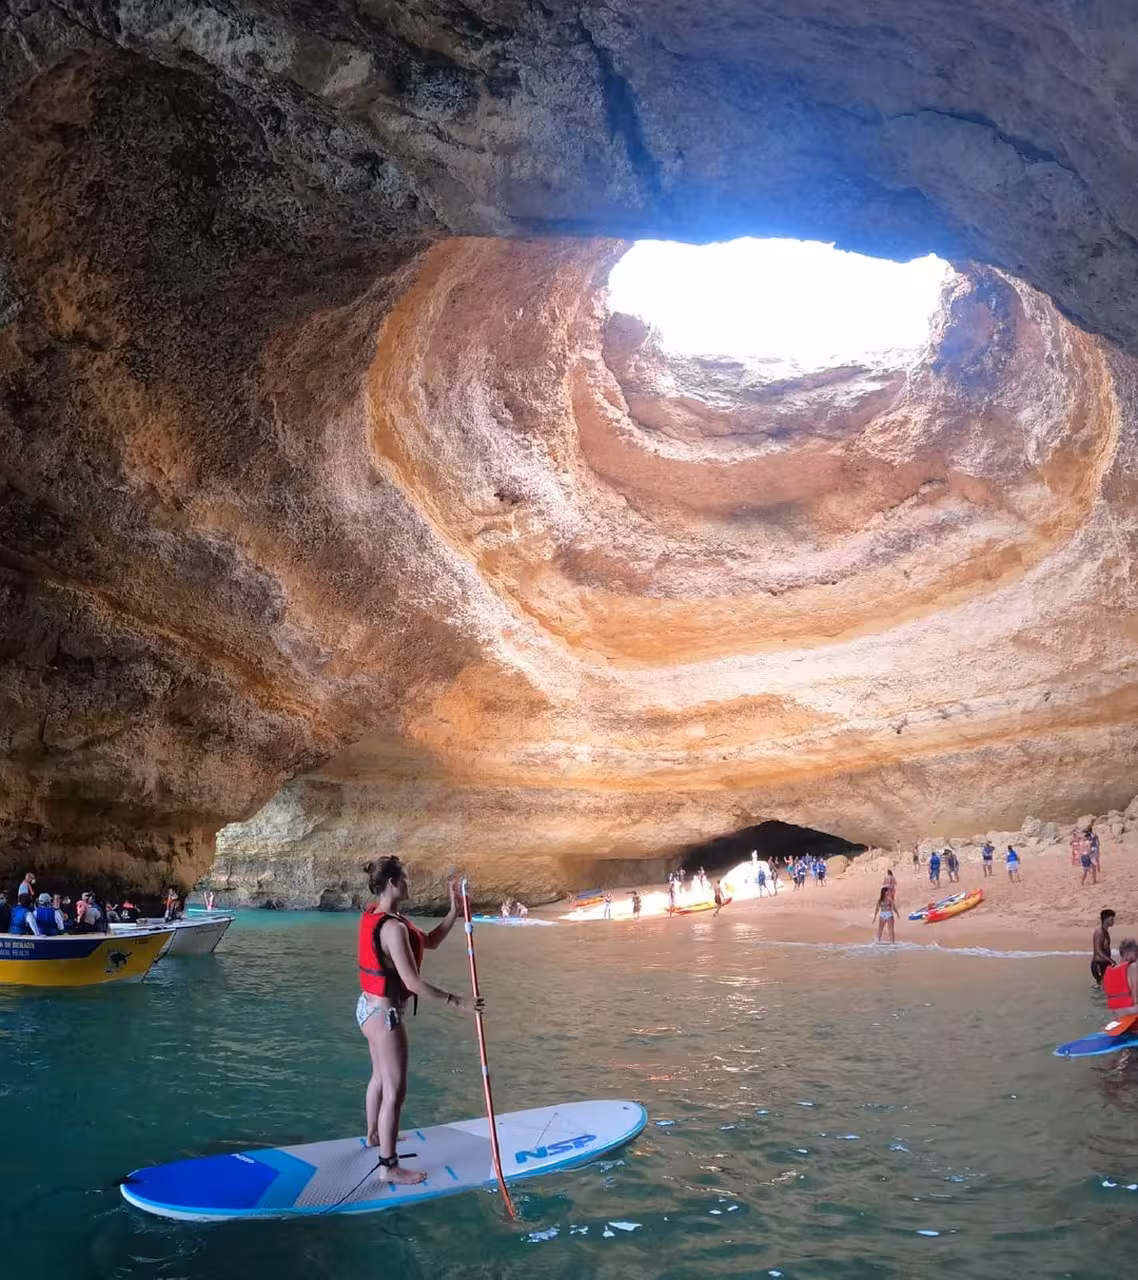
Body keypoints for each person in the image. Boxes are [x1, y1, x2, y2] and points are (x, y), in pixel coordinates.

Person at [356, 856, 480, 1184]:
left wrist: (454, 911)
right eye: (406, 879)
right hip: (385, 1016)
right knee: (395, 1092)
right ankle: (389, 1167)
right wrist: (458, 1001)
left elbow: (431, 942)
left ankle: (372, 1136)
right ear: (394, 883)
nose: (410, 884)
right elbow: (412, 984)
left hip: (366, 1009)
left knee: (380, 1079)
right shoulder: (394, 929)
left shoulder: (379, 916)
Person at [1102, 938, 1138, 1017]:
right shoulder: (1133, 967)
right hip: (1130, 1013)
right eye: (1136, 954)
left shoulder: (1108, 971)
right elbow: (1135, 1000)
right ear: (1130, 952)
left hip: (1116, 1014)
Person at [1092, 909, 1116, 986]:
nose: (1113, 921)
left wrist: (1109, 962)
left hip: (1105, 964)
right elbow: (1098, 951)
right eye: (1112, 919)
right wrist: (1111, 960)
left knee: (1107, 987)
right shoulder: (1099, 932)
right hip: (1098, 964)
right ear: (1106, 919)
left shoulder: (1106, 932)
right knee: (1102, 987)